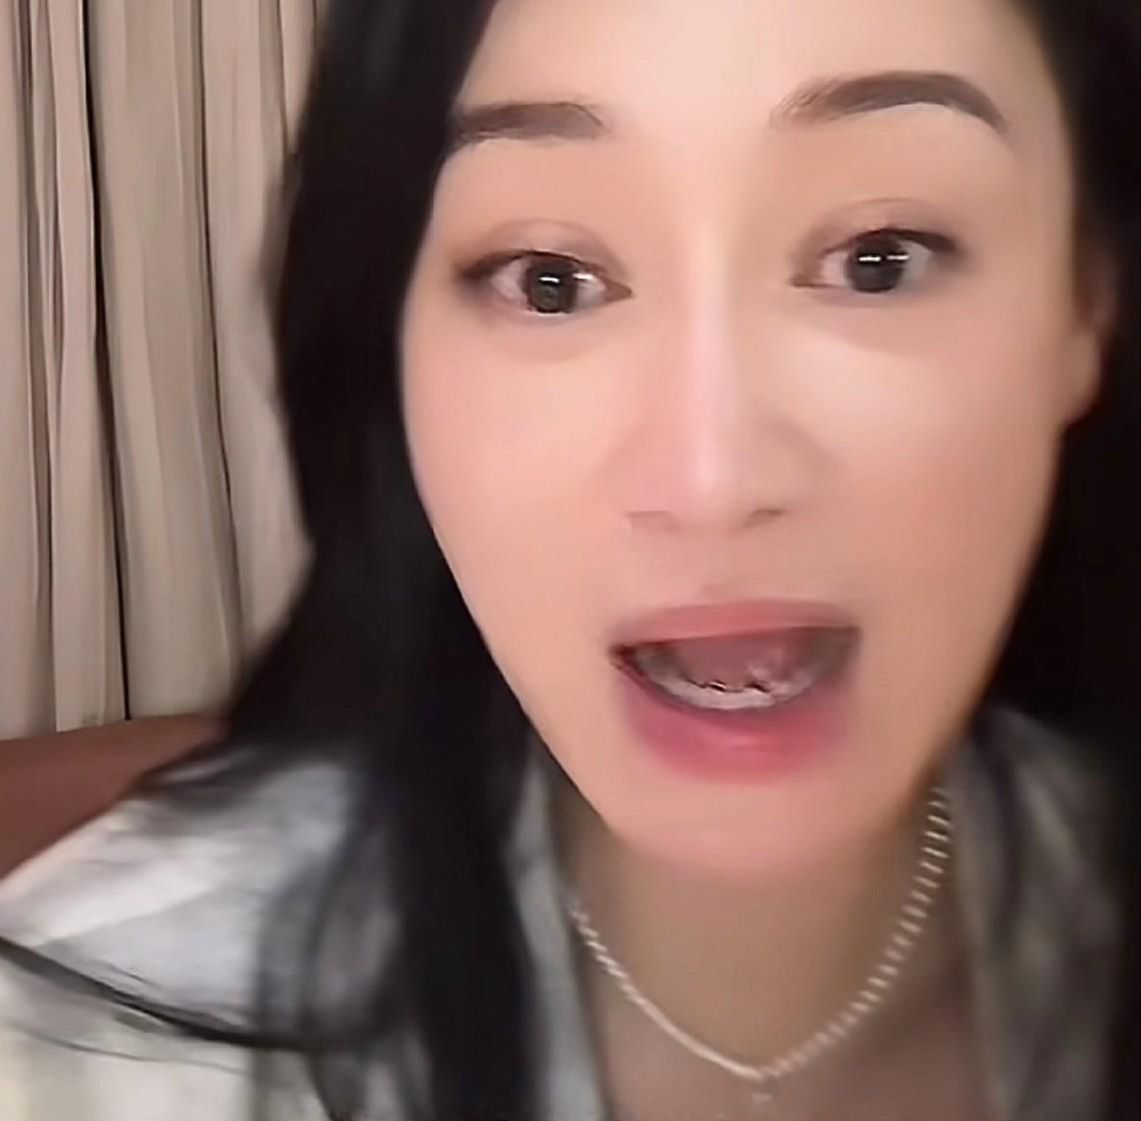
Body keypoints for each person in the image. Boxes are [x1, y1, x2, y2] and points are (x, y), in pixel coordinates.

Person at [0, 0, 1136, 1118]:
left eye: (879, 261)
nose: (711, 480)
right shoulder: (76, 1058)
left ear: (1085, 302)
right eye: (550, 279)